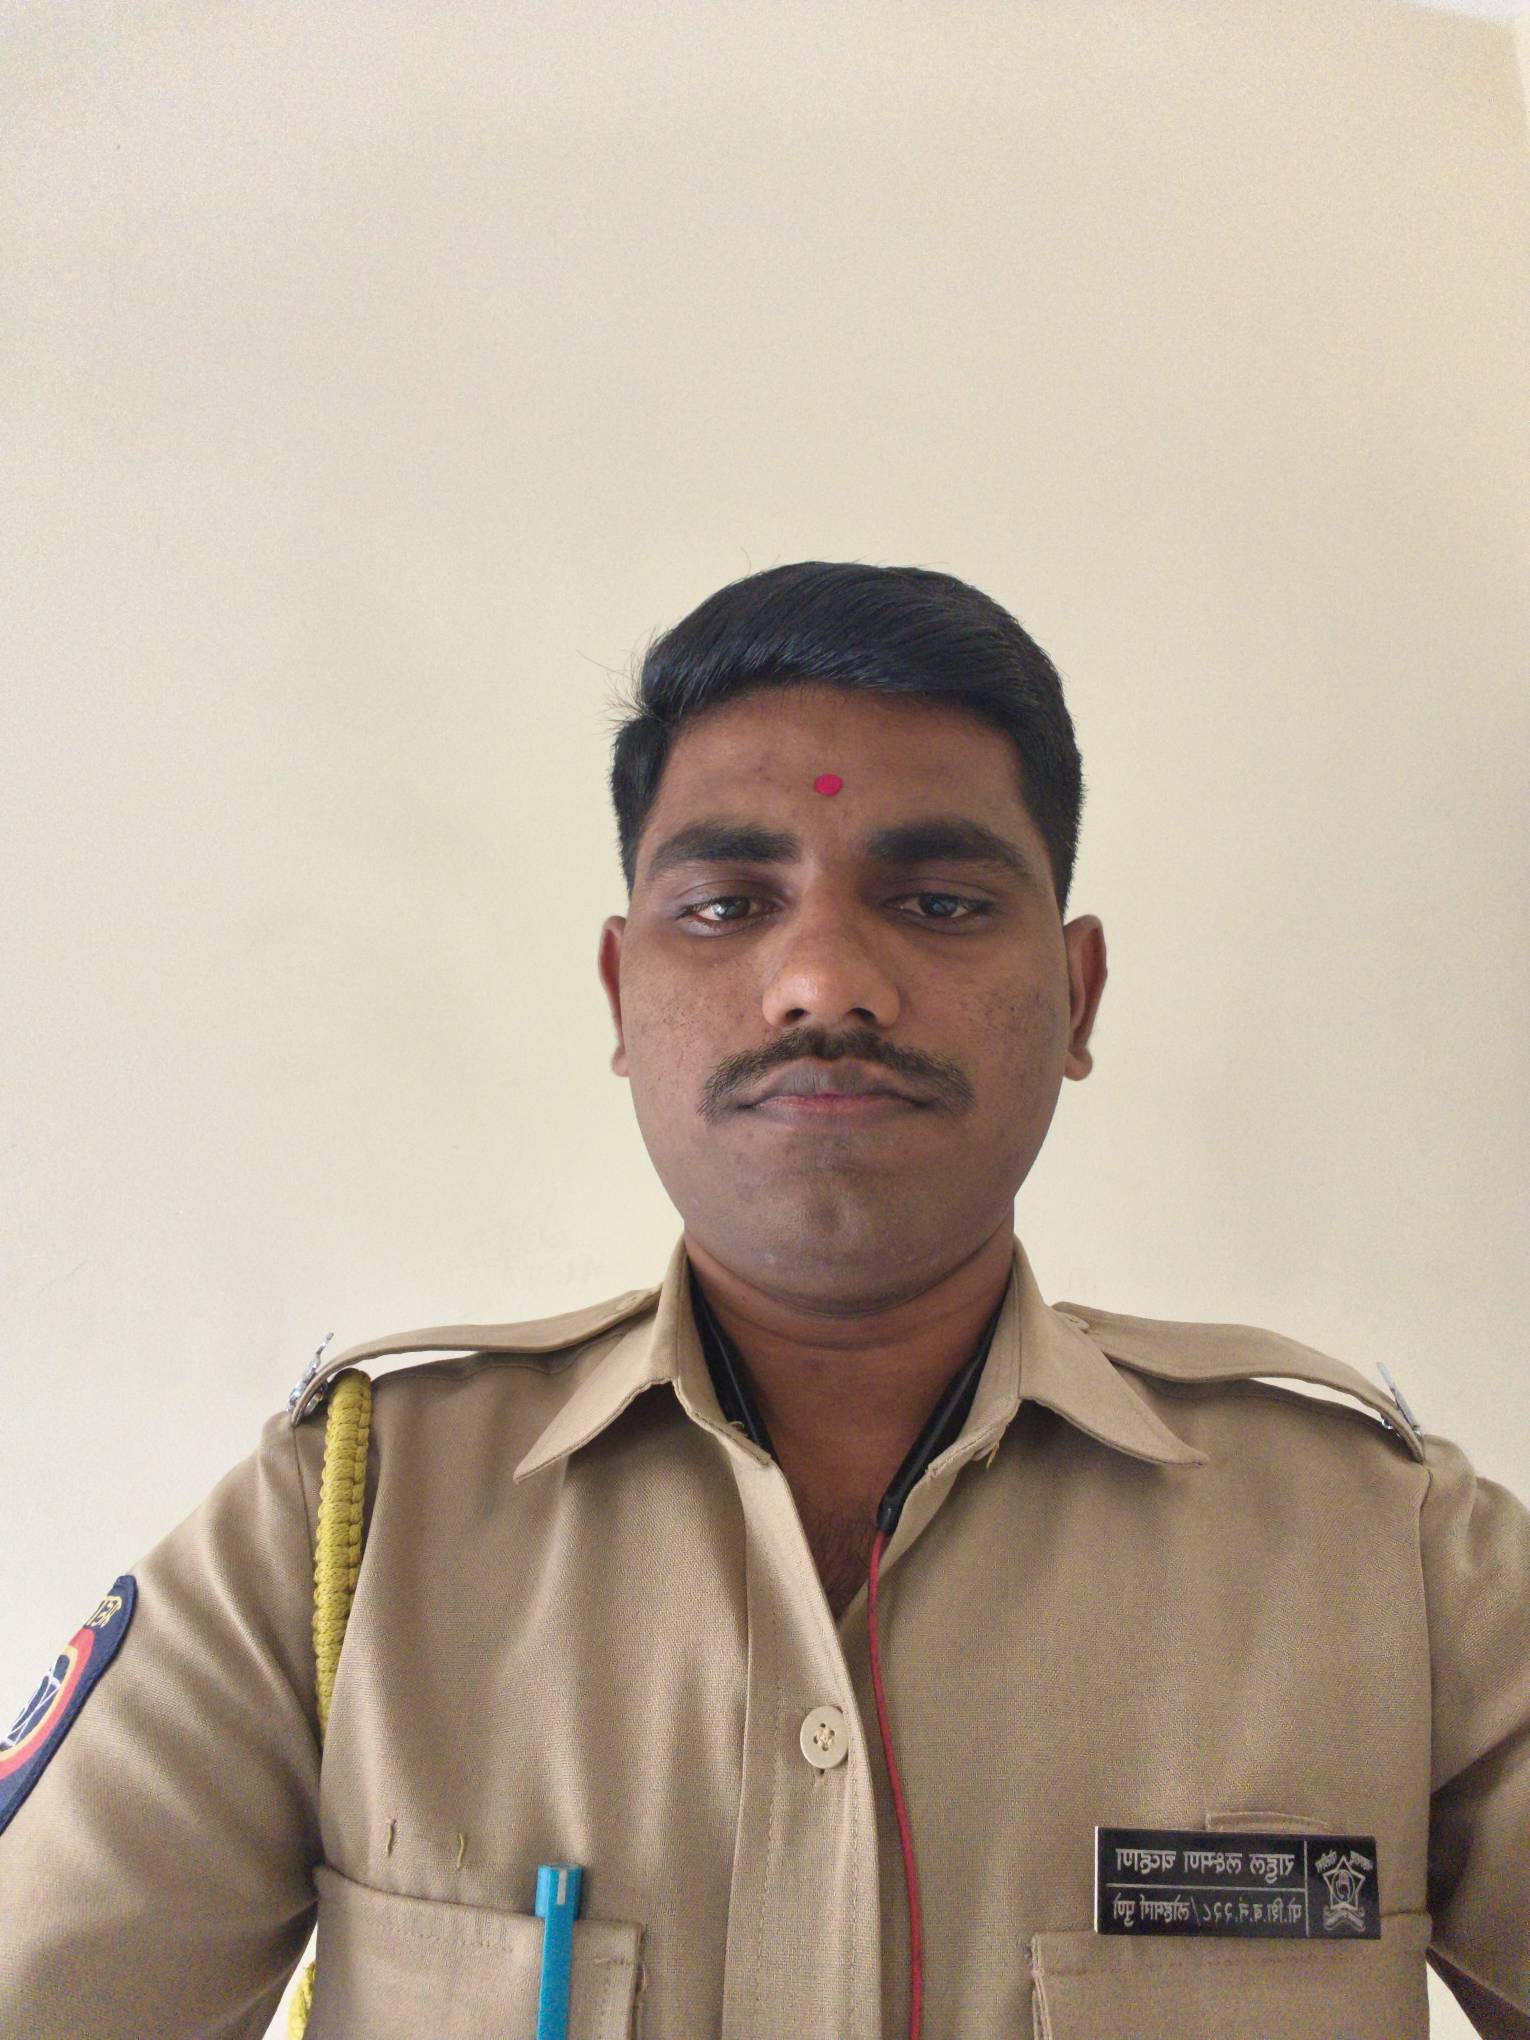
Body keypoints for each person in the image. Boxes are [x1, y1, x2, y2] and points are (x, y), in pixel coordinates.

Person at [1, 561, 1526, 2040]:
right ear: (620, 996)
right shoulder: (345, 1526)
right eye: (730, 905)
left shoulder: (1387, 1555)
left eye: (938, 902)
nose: (822, 984)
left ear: (1076, 996)